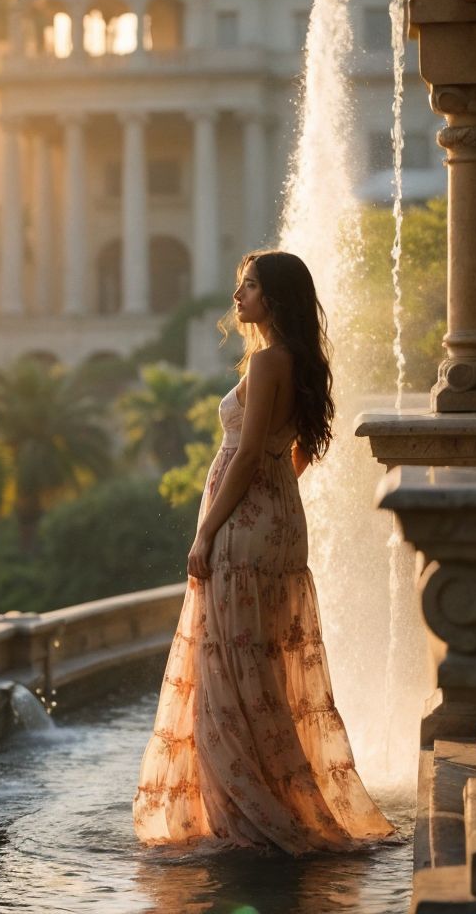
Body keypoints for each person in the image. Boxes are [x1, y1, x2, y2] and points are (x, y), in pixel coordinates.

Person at [133, 250, 394, 853]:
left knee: (229, 667)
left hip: (243, 533)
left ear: (273, 298)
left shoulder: (268, 360)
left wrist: (205, 533)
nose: (238, 297)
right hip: (275, 525)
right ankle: (271, 797)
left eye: (248, 287)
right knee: (262, 666)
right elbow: (292, 453)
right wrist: (273, 500)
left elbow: (248, 455)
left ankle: (248, 814)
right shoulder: (297, 361)